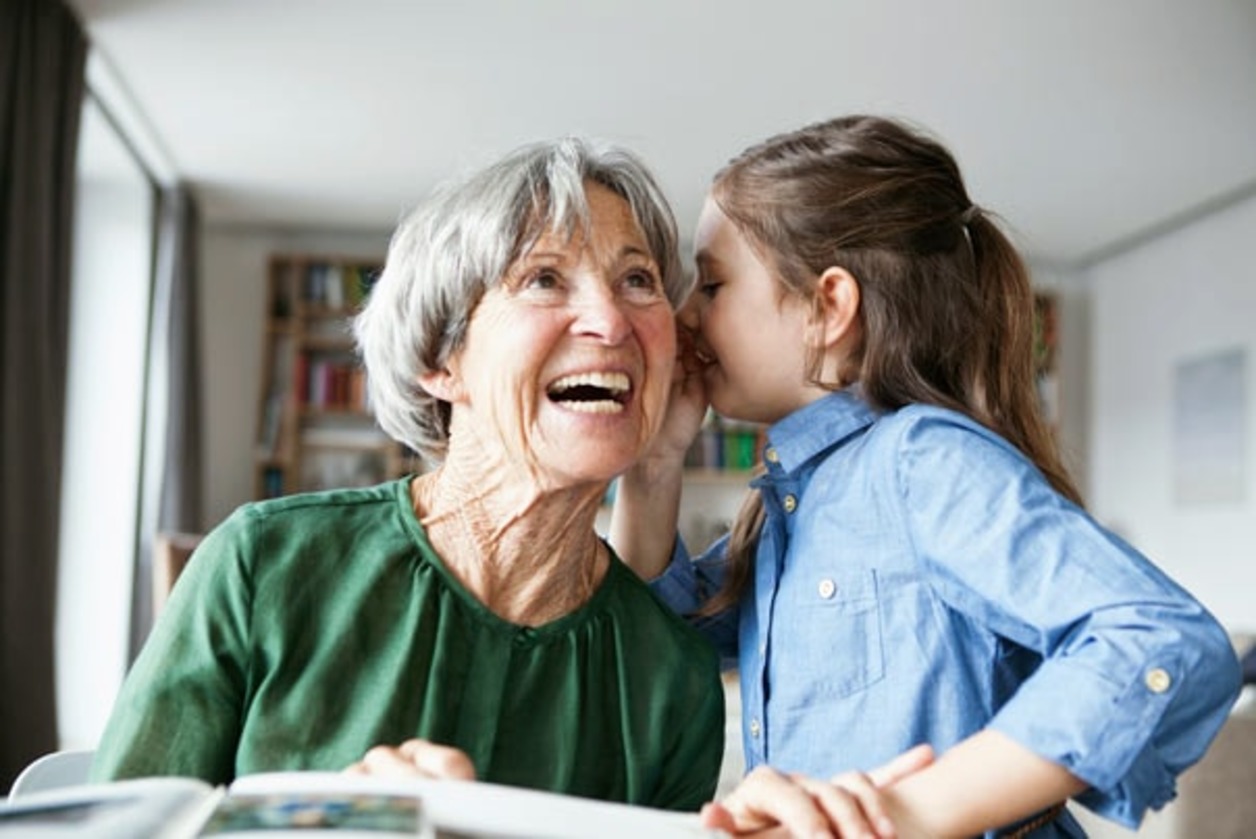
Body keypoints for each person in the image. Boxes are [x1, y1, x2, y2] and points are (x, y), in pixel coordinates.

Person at [611, 115, 1242, 837]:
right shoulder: (794, 501)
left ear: (829, 308)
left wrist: (906, 812)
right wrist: (653, 462)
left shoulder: (920, 461)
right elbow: (653, 652)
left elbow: (1158, 636)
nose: (685, 314)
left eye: (713, 284)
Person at [91, 137, 727, 811]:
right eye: (544, 278)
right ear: (441, 357)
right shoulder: (264, 567)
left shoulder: (675, 682)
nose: (611, 321)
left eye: (638, 280)